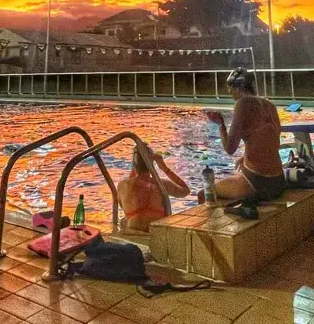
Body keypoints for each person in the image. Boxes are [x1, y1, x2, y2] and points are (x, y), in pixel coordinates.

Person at [204, 68, 284, 202]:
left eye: (230, 89)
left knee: (206, 191)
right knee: (236, 177)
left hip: (258, 182)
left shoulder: (242, 104)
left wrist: (220, 124)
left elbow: (230, 149)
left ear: (238, 88)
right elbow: (271, 140)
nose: (229, 93)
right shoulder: (270, 105)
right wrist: (244, 156)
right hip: (279, 181)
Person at [117, 147, 190, 232]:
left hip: (133, 228)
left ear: (134, 164)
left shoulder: (123, 185)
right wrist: (163, 167)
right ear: (152, 163)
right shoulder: (161, 184)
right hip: (157, 230)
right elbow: (185, 191)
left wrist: (135, 165)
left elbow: (123, 205)